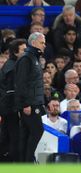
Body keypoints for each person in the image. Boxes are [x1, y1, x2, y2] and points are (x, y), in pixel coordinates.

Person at [14, 32, 46, 162]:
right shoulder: (26, 58)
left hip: (34, 102)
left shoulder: (34, 57)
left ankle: (24, 163)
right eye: (42, 42)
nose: (45, 45)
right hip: (29, 103)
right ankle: (28, 161)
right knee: (37, 131)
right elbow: (21, 83)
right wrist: (25, 104)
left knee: (27, 134)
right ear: (33, 43)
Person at [0, 38, 27, 162]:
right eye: (24, 50)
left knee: (6, 135)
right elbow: (11, 91)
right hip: (11, 107)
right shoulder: (12, 68)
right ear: (16, 53)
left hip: (7, 107)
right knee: (14, 136)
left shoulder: (12, 65)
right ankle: (13, 163)